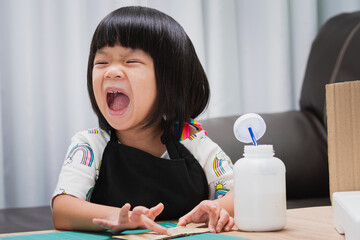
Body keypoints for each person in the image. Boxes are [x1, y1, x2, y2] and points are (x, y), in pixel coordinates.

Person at [52, 6, 234, 235]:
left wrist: (215, 208)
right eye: (102, 62)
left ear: (170, 81)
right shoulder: (90, 144)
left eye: (130, 62)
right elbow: (63, 209)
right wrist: (118, 218)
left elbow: (244, 192)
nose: (112, 72)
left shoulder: (192, 140)